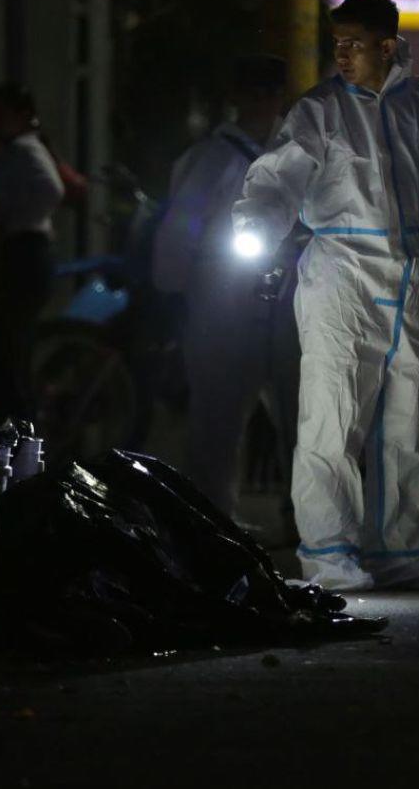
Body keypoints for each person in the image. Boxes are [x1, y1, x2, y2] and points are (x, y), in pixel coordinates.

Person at [231, 0, 419, 591]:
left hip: (408, 276)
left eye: (354, 44)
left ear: (387, 46)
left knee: (404, 421)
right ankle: (329, 555)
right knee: (332, 417)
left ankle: (401, 551)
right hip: (340, 274)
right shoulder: (319, 110)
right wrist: (256, 228)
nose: (342, 55)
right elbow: (276, 179)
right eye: (337, 43)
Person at [152, 54, 301, 529]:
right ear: (237, 97)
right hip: (224, 298)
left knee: (303, 413)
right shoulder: (212, 157)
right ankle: (212, 517)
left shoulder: (301, 149)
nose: (261, 102)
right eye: (253, 92)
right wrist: (174, 291)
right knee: (219, 413)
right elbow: (180, 230)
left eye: (269, 92)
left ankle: (307, 516)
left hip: (293, 295)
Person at [0, 82, 65, 422]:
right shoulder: (13, 150)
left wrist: (16, 217)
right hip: (23, 251)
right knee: (10, 349)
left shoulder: (25, 148)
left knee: (11, 350)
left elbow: (52, 190)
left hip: (25, 251)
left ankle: (20, 427)